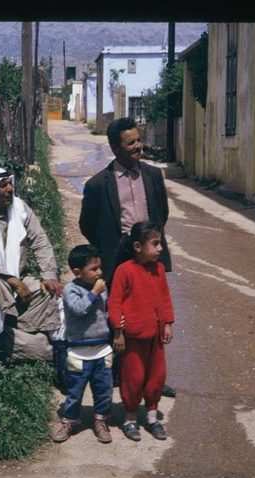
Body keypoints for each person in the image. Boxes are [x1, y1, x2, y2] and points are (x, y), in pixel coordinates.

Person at [79, 117, 176, 398]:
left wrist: (149, 244)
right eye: (131, 143)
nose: (138, 147)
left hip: (149, 253)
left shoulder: (153, 176)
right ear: (114, 147)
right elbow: (87, 224)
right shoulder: (98, 184)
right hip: (118, 255)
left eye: (138, 140)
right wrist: (109, 247)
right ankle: (120, 375)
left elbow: (162, 214)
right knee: (119, 315)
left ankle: (152, 377)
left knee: (153, 312)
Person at [0, 166, 63, 362]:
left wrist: (49, 274)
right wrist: (13, 280)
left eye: (10, 184)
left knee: (45, 289)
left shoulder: (19, 208)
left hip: (17, 280)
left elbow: (40, 241)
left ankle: (20, 332)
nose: (9, 189)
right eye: (3, 186)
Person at [107, 221, 175, 442]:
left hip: (155, 337)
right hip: (133, 339)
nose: (160, 249)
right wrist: (118, 331)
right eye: (155, 244)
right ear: (137, 246)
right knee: (133, 378)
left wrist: (167, 323)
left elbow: (164, 298)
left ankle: (153, 418)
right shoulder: (124, 271)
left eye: (160, 243)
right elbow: (114, 302)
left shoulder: (159, 270)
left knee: (156, 378)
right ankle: (130, 418)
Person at [50, 244, 113, 444]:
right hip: (78, 352)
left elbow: (104, 311)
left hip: (102, 349)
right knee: (74, 391)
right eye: (93, 269)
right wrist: (94, 292)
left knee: (104, 390)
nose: (99, 272)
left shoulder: (101, 287)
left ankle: (101, 421)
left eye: (100, 268)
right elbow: (79, 309)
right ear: (77, 272)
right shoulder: (71, 289)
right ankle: (69, 421)